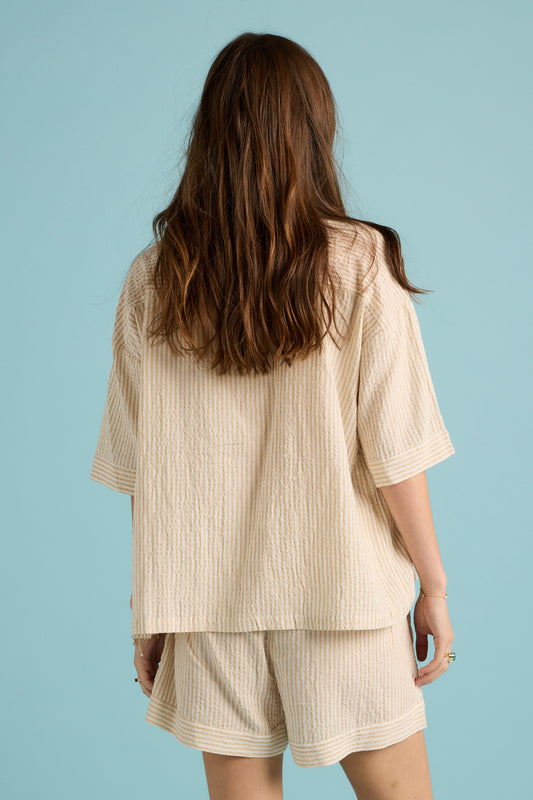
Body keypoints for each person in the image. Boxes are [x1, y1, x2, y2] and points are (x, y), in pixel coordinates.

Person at [89, 31, 456, 800]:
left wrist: (150, 611)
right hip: (343, 597)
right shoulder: (359, 264)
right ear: (312, 131)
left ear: (208, 134)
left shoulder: (154, 278)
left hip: (207, 608)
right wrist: (433, 585)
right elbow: (395, 454)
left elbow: (144, 470)